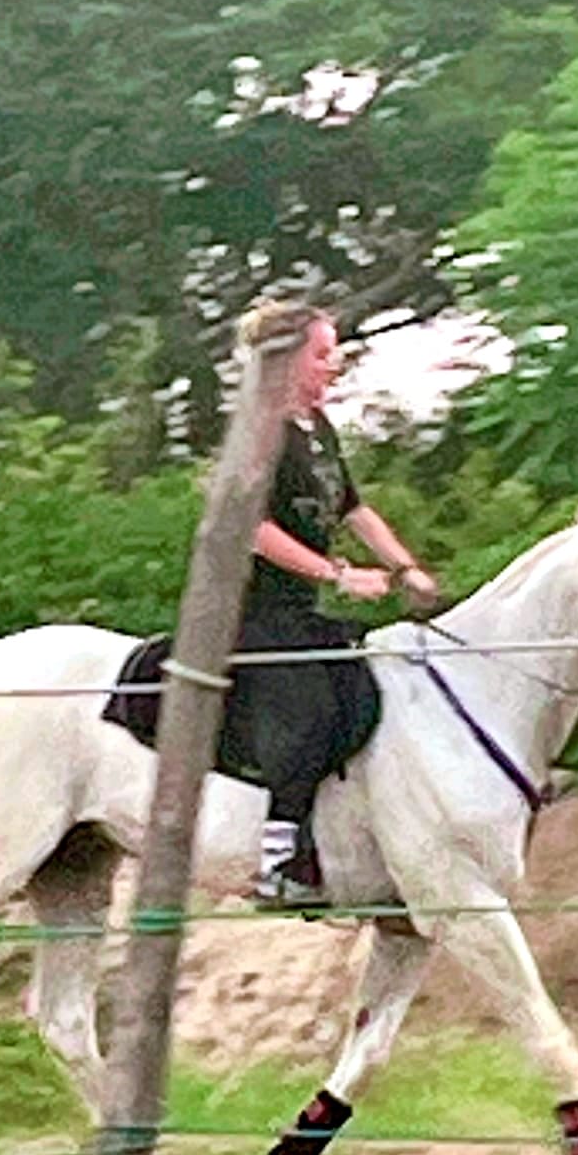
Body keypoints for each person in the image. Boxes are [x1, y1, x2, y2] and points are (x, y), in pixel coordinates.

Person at [234, 298, 439, 905]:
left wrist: (406, 569)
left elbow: (352, 507)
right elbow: (253, 528)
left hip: (301, 608)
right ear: (288, 360)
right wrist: (340, 574)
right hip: (253, 610)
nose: (334, 366)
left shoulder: (316, 430)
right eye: (323, 354)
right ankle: (278, 863)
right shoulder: (258, 432)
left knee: (361, 693)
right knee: (308, 711)